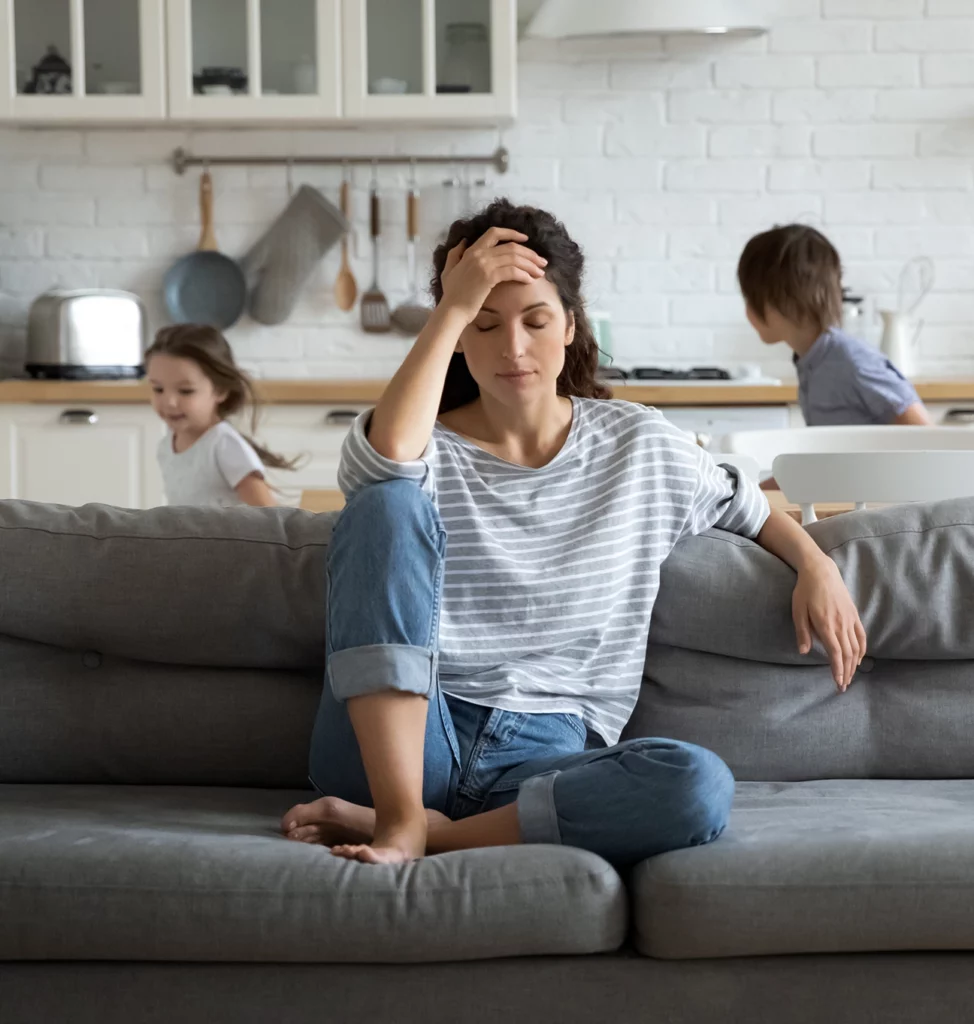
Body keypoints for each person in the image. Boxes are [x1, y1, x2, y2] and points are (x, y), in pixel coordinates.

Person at [282, 200, 866, 869]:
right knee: (385, 504)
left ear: (569, 327)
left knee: (697, 784)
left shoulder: (639, 445)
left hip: (544, 757)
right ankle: (399, 808)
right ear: (458, 335)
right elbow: (383, 464)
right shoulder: (420, 445)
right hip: (404, 732)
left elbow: (754, 511)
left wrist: (817, 565)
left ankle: (418, 831)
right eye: (484, 322)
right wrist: (450, 303)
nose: (513, 348)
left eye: (535, 321)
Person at [738, 224, 931, 427]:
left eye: (750, 298)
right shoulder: (810, 360)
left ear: (783, 301)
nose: (747, 310)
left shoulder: (852, 360)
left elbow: (925, 435)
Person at [146, 324, 296, 508]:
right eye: (158, 389)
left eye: (185, 391)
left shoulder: (224, 445)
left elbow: (270, 514)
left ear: (221, 390)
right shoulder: (166, 446)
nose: (169, 401)